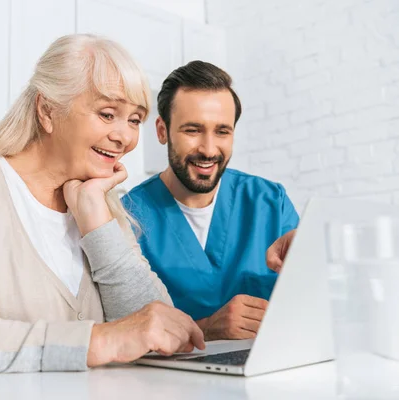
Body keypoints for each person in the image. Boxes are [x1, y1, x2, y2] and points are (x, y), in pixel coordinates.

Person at [0, 34, 205, 381]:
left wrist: (98, 224)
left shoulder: (100, 204)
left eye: (134, 119)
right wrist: (98, 341)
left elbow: (162, 334)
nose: (124, 136)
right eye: (108, 114)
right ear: (47, 111)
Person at [122, 61, 298, 341]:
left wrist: (315, 257)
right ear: (162, 130)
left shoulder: (269, 202)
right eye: (192, 130)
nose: (208, 149)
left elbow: (311, 302)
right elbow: (122, 332)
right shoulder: (129, 218)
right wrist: (205, 328)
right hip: (169, 383)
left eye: (222, 131)